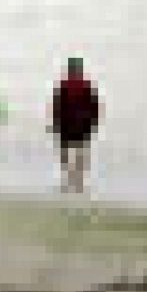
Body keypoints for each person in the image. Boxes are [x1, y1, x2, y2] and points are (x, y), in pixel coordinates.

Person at [50, 57, 100, 193]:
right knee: (79, 154)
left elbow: (57, 106)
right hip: (82, 124)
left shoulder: (64, 85)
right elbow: (94, 106)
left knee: (66, 154)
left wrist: (56, 123)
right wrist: (93, 123)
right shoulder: (86, 85)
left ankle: (67, 181)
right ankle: (78, 182)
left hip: (67, 123)